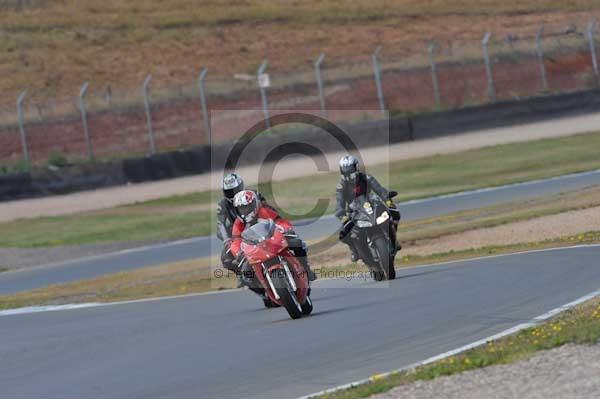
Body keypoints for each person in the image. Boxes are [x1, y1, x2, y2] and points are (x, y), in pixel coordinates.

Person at [229, 190, 316, 300]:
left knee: (298, 244)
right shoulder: (239, 223)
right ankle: (263, 292)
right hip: (255, 250)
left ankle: (307, 271)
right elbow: (235, 241)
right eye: (240, 208)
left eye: (246, 207)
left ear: (254, 204)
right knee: (245, 272)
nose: (244, 211)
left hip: (273, 242)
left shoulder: (264, 211)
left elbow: (280, 222)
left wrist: (286, 230)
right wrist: (239, 253)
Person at [335, 154, 401, 262]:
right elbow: (339, 204)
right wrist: (343, 216)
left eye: (350, 170)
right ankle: (354, 250)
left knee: (395, 214)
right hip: (354, 212)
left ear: (356, 167)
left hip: (372, 206)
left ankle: (393, 238)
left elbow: (380, 190)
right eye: (345, 170)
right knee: (344, 235)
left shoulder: (367, 177)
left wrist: (389, 201)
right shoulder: (341, 186)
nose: (348, 173)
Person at [216, 173, 269, 275]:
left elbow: (267, 209)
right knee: (226, 258)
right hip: (239, 232)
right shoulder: (222, 204)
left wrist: (273, 221)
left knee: (291, 238)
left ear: (241, 186)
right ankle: (244, 275)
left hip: (259, 224)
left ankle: (302, 265)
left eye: (235, 190)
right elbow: (220, 223)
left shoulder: (254, 193)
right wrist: (227, 240)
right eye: (229, 192)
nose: (233, 193)